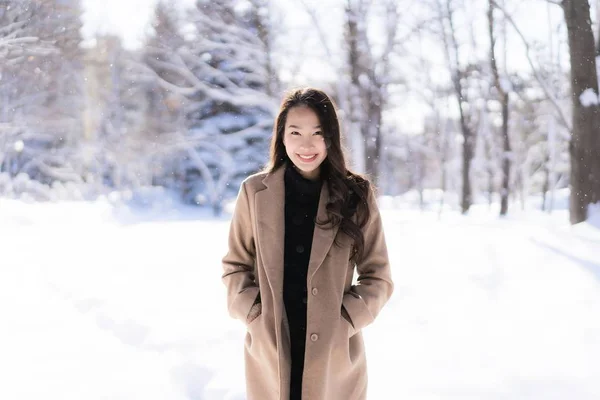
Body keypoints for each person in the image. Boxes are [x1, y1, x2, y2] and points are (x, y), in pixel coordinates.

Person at [221, 87, 394, 400]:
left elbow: (378, 276)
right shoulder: (253, 192)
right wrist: (253, 314)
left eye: (317, 132)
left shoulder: (356, 195)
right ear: (281, 136)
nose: (306, 144)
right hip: (271, 350)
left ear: (330, 136)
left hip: (334, 357)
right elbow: (236, 265)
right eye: (295, 132)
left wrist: (347, 320)